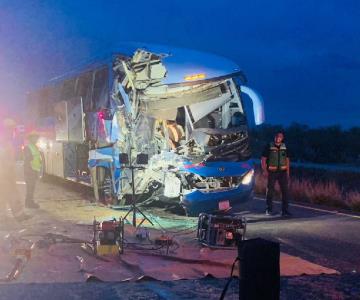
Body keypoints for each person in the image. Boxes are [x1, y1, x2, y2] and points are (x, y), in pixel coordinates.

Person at [0, 119, 31, 221]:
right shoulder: (3, 142)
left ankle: (18, 215)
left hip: (8, 174)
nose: (13, 132)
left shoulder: (7, 142)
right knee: (5, 195)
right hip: (4, 174)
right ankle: (5, 216)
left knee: (12, 194)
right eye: (11, 129)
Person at [261, 132, 291, 217]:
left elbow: (287, 160)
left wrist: (288, 172)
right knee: (270, 191)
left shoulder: (285, 147)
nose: (278, 138)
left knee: (285, 191)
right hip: (272, 172)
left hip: (283, 172)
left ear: (282, 138)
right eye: (277, 136)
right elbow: (263, 159)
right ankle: (269, 209)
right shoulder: (269, 146)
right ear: (275, 137)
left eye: (280, 136)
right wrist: (264, 170)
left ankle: (285, 211)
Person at [24, 132, 42, 209]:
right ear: (30, 139)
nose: (36, 139)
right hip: (30, 171)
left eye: (36, 137)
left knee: (32, 187)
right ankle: (29, 203)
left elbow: (37, 158)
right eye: (34, 137)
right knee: (30, 188)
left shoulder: (35, 146)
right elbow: (27, 160)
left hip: (34, 170)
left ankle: (29, 202)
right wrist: (29, 171)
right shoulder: (28, 147)